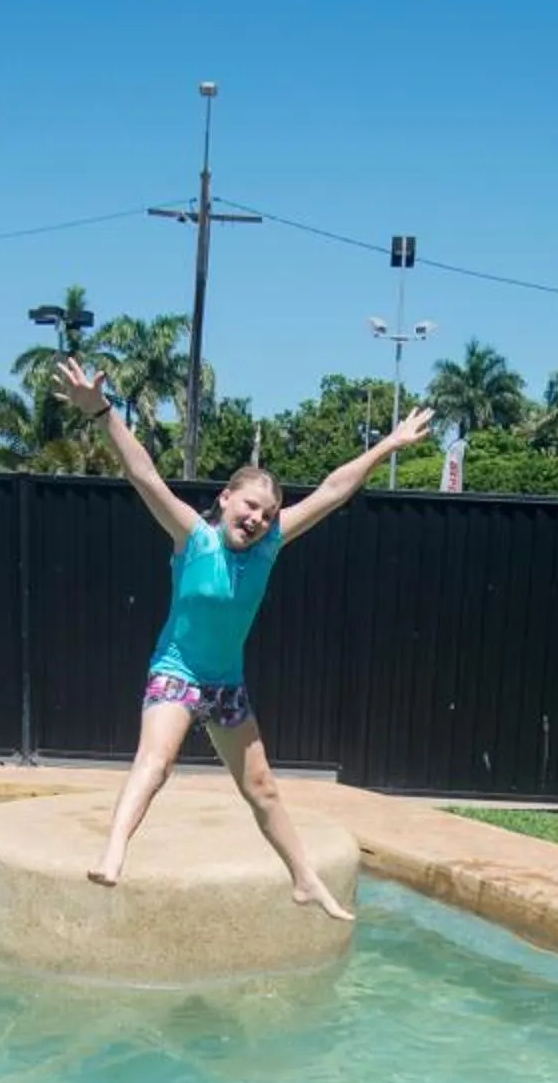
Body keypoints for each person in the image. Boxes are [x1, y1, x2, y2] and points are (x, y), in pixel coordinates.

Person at [53, 355, 432, 915]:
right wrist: (103, 412)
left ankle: (304, 880)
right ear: (226, 500)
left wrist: (387, 446)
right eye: (250, 505)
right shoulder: (193, 538)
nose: (257, 519)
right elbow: (144, 475)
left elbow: (332, 491)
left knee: (263, 789)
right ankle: (113, 852)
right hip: (177, 673)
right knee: (155, 765)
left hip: (227, 684)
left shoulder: (270, 546)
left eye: (267, 513)